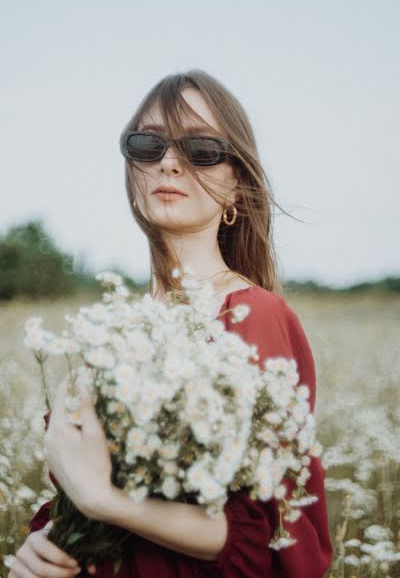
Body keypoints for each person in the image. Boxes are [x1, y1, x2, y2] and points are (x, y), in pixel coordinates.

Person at [13, 69, 333, 577]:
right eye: (147, 143)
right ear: (131, 169)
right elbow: (82, 496)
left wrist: (103, 500)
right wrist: (46, 544)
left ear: (236, 185)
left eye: (202, 149)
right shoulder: (109, 332)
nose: (168, 162)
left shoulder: (254, 314)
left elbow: (262, 538)